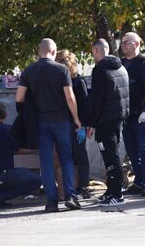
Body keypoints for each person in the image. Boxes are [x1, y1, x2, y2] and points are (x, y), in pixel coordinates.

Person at [15, 38, 82, 212]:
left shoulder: (29, 71)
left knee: (45, 161)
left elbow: (19, 98)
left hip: (41, 121)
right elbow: (70, 97)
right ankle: (70, 196)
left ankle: (51, 201)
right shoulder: (62, 70)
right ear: (54, 51)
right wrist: (76, 119)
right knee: (66, 158)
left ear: (39, 52)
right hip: (61, 121)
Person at [87, 38, 129, 206]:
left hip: (105, 121)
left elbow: (97, 101)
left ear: (96, 51)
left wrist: (91, 123)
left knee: (110, 158)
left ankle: (116, 194)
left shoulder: (100, 70)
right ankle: (111, 190)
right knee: (113, 155)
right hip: (118, 119)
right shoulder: (121, 67)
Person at [0, 102, 42, 208]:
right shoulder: (8, 130)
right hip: (3, 175)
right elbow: (20, 150)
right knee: (38, 180)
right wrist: (37, 150)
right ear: (5, 115)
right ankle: (0, 195)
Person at [120, 32, 145, 197]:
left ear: (136, 44)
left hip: (143, 114)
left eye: (126, 42)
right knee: (132, 149)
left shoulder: (144, 62)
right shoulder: (122, 64)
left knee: (144, 148)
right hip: (127, 114)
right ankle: (139, 181)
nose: (123, 45)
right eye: (122, 43)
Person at [56, 50, 91, 199]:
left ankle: (83, 186)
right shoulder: (59, 82)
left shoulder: (78, 82)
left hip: (76, 124)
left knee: (80, 155)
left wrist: (85, 125)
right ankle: (73, 186)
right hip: (65, 124)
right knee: (70, 156)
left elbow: (84, 105)